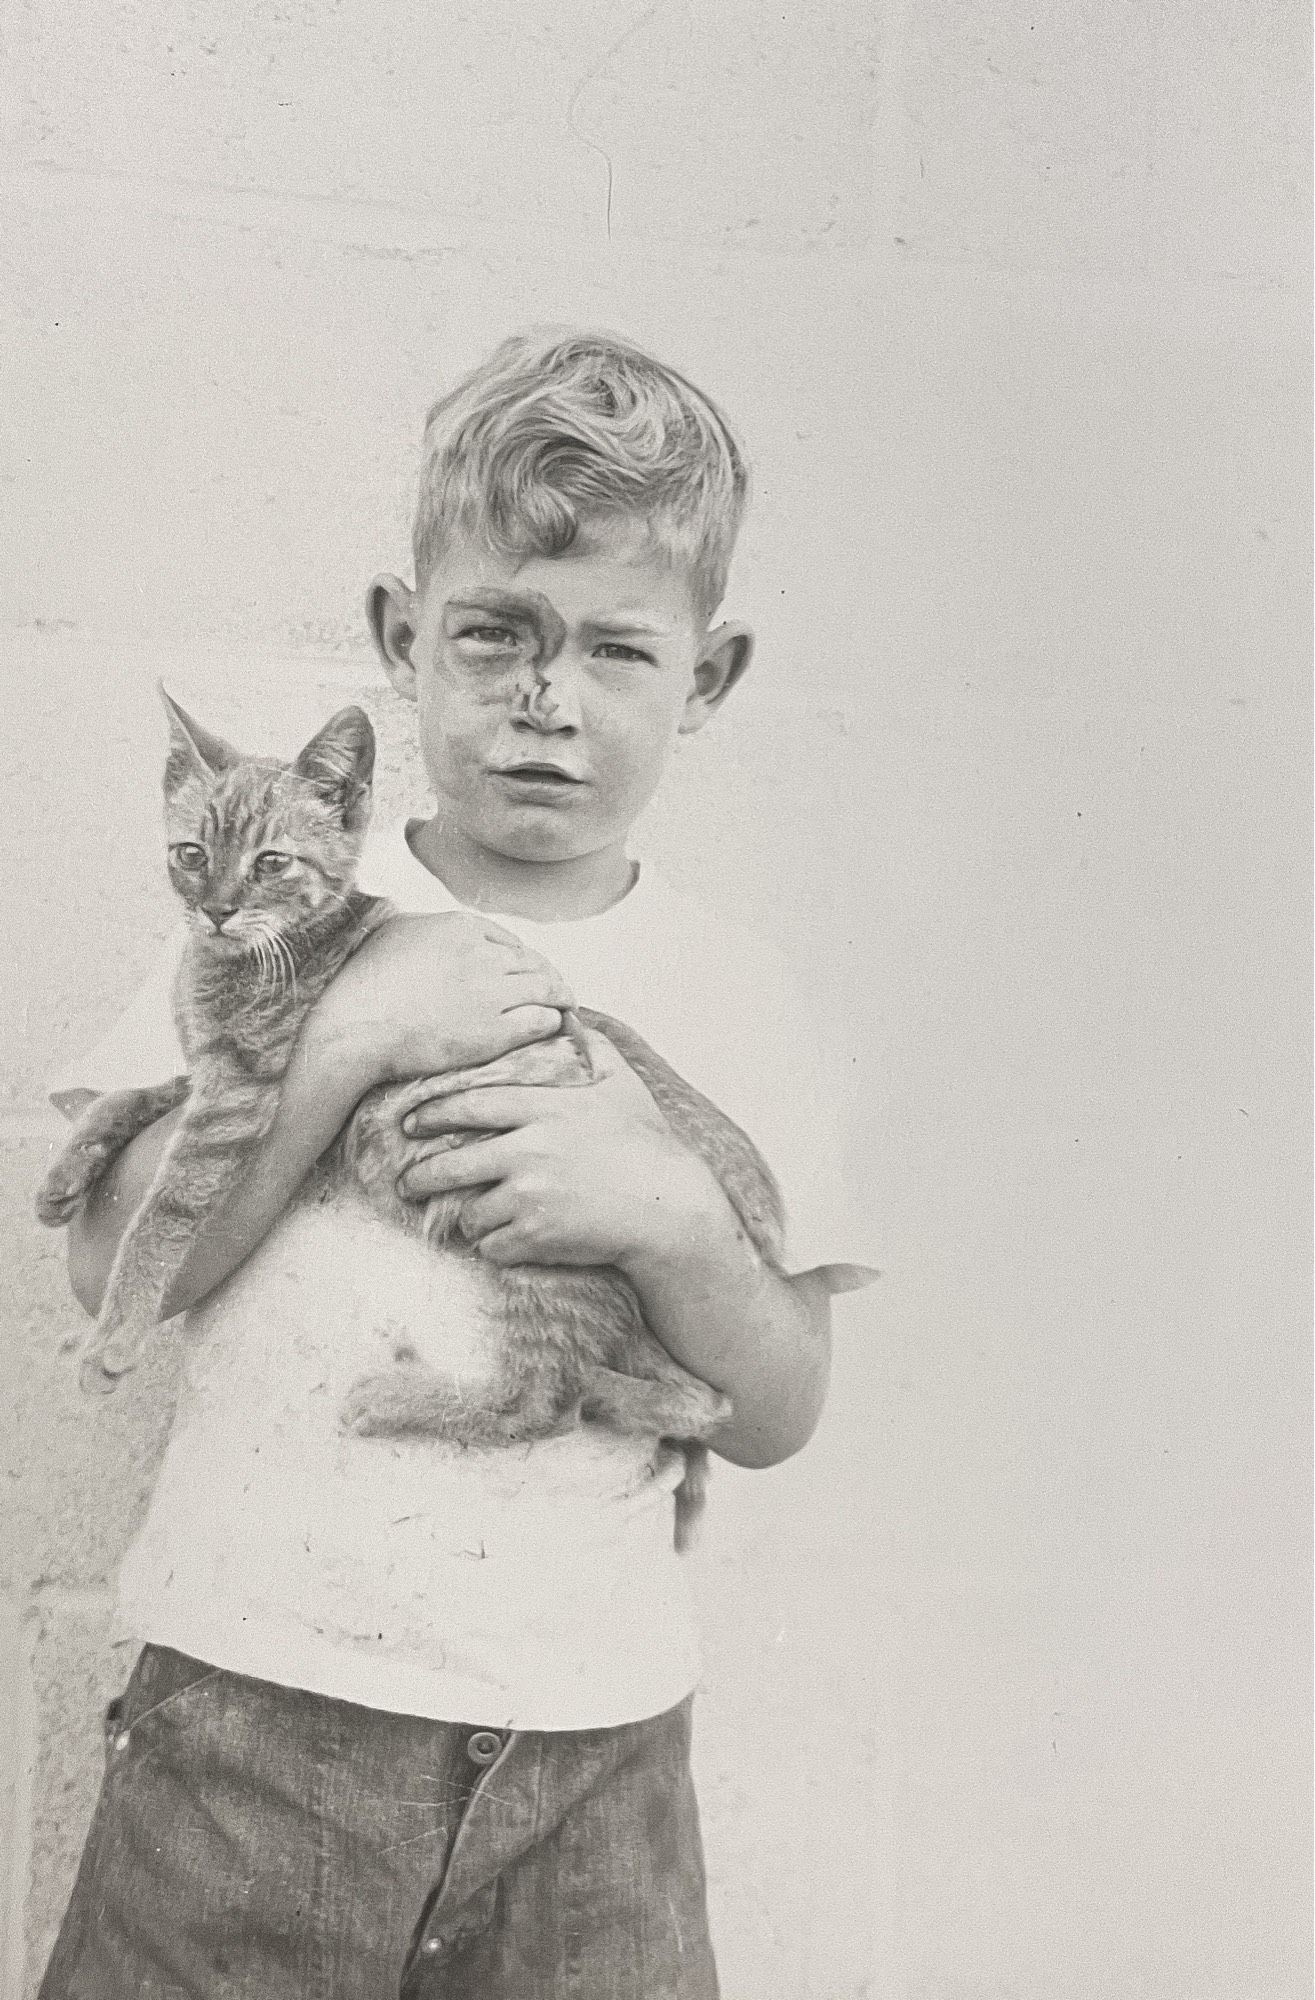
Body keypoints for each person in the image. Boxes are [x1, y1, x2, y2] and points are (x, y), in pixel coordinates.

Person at [39, 329, 875, 1999]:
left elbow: (778, 1408)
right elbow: (110, 1259)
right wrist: (349, 1034)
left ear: (706, 681)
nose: (544, 702)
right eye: (492, 636)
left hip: (600, 1757)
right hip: (254, 1721)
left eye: (618, 652)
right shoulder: (268, 913)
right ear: (399, 642)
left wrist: (660, 1216)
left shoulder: (743, 990)